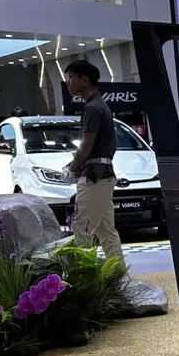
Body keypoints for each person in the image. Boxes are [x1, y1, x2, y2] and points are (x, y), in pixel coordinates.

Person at [63, 60, 123, 264]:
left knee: (82, 227)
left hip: (94, 177)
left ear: (84, 80)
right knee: (106, 229)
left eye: (71, 78)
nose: (68, 83)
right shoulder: (100, 105)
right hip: (103, 175)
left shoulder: (92, 108)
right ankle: (117, 273)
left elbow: (86, 146)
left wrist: (71, 168)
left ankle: (84, 274)